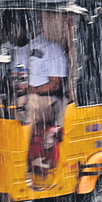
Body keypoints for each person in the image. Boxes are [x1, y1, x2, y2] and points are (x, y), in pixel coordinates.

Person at [16, 11, 70, 174]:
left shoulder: (52, 49)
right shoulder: (16, 50)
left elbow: (55, 84)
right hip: (19, 95)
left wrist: (30, 89)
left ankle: (22, 158)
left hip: (48, 101)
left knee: (27, 103)